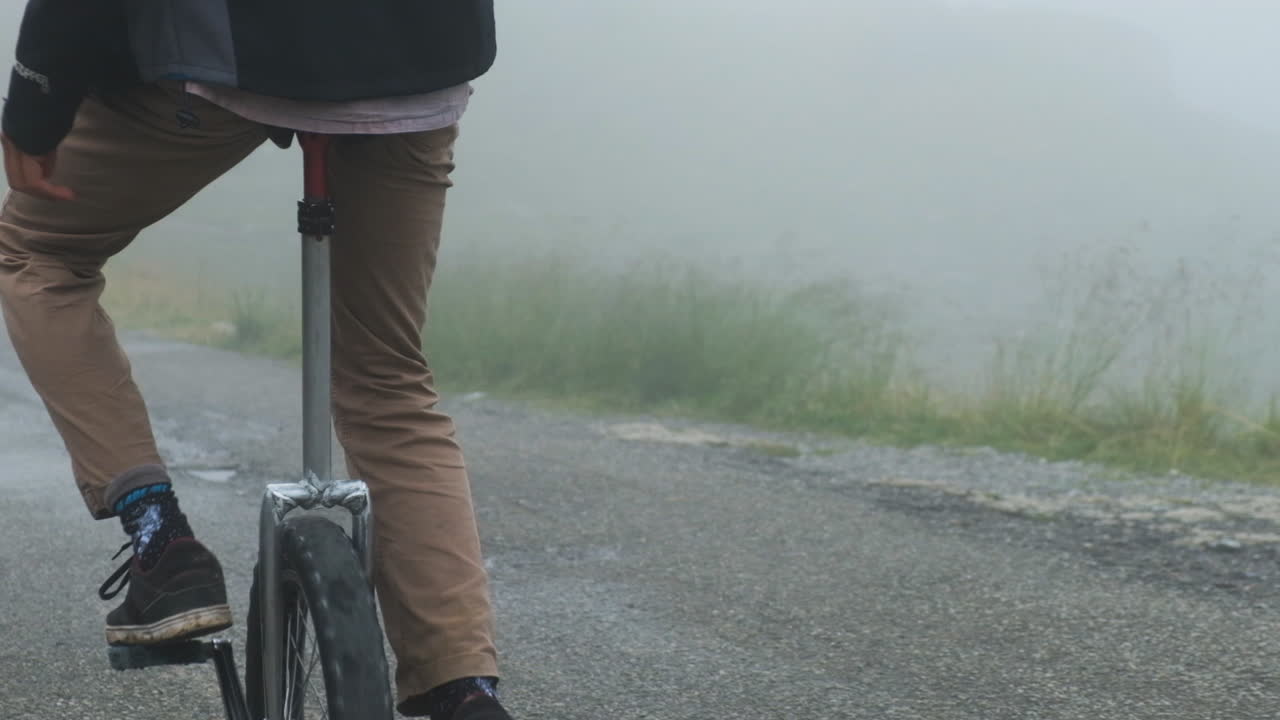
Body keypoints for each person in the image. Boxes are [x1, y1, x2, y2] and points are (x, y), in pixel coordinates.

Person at [0, 2, 513, 718]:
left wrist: (34, 99)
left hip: (226, 60)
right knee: (387, 378)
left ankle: (160, 538)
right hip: (416, 71)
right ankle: (466, 686)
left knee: (36, 252)